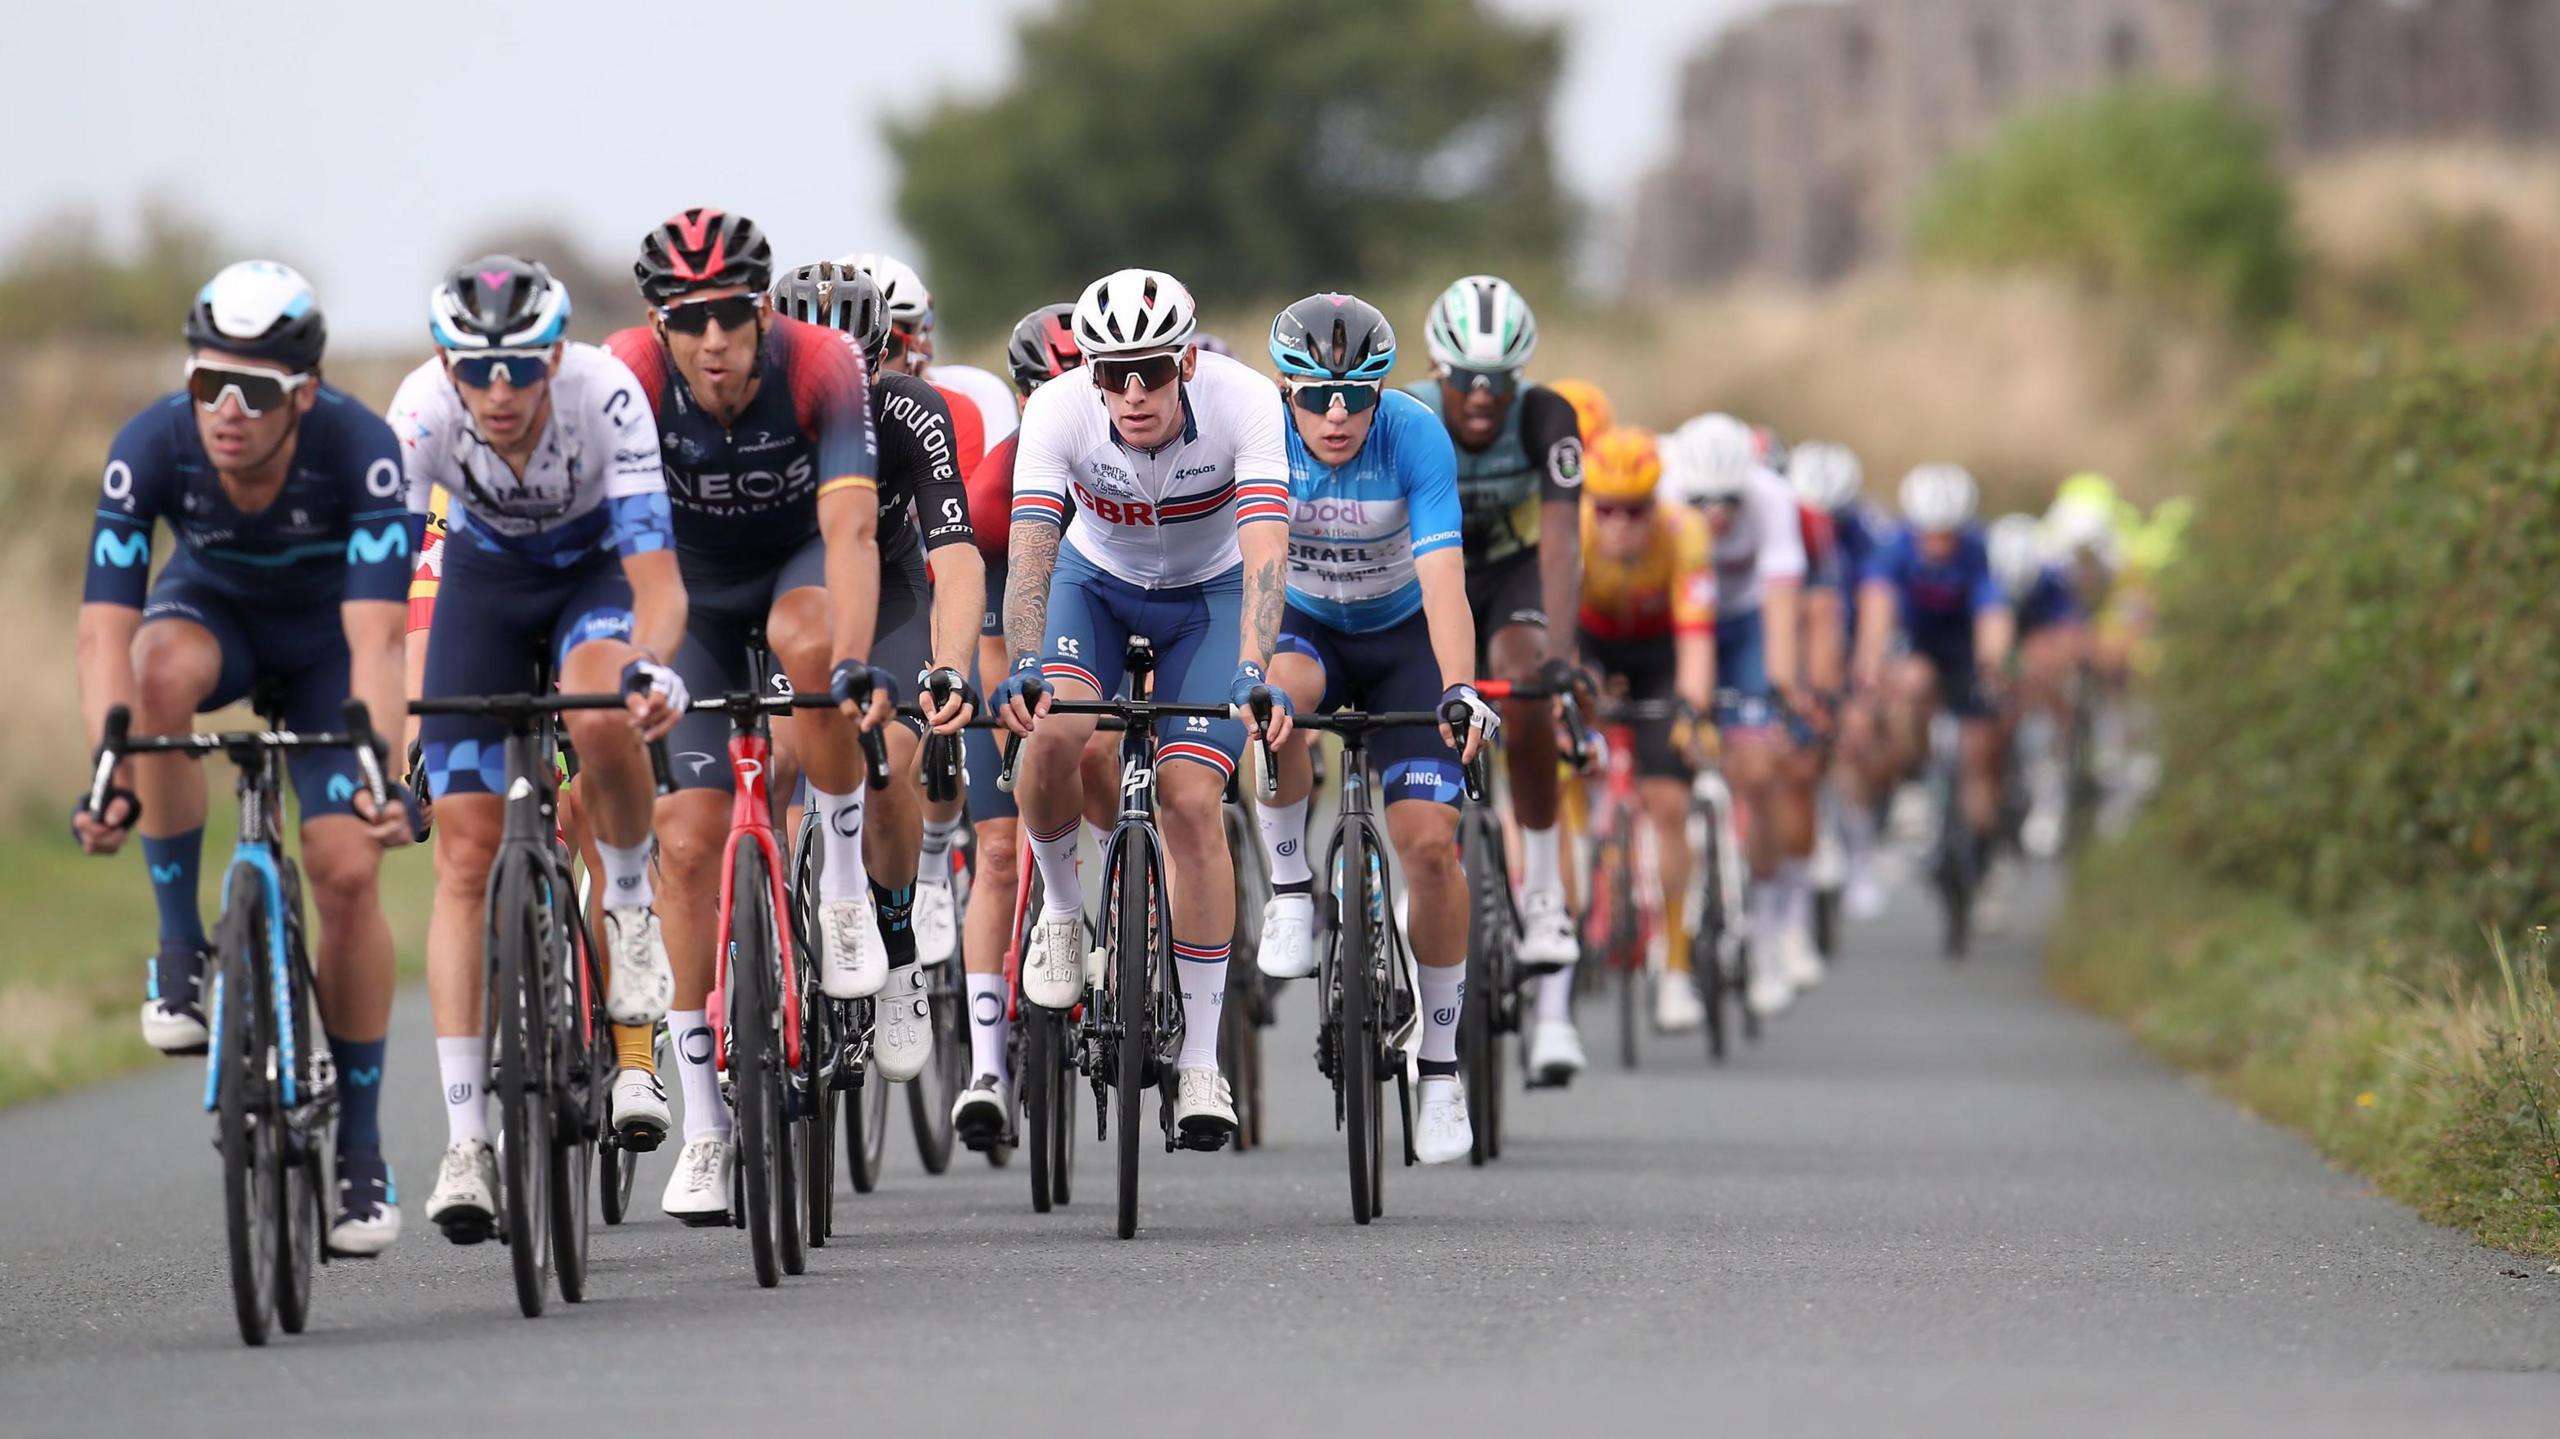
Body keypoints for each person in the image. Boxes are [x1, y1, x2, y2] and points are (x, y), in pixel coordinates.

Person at [75, 260, 420, 1254]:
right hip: (212, 616)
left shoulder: (359, 448)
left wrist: (379, 770)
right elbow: (103, 630)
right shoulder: (151, 444)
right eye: (205, 383)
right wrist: (110, 772)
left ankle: (359, 1151)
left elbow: (377, 643)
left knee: (349, 874)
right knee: (151, 675)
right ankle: (180, 949)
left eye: (255, 391)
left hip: (327, 648)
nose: (225, 410)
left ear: (303, 394)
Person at [386, 255, 689, 1243]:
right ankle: (468, 1139)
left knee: (599, 710)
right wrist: (390, 738)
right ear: (446, 364)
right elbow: (382, 600)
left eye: (521, 365)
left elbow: (655, 576)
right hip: (482, 583)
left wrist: (650, 666)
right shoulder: (421, 412)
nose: (502, 390)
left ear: (556, 352)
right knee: (466, 854)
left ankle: (631, 903)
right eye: (478, 370)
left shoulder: (606, 394)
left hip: (596, 574)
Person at [604, 209, 897, 1224]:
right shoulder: (625, 374)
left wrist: (855, 663)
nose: (714, 339)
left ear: (762, 311)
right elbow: (610, 546)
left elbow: (852, 529)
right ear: (659, 322)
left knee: (812, 646)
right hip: (683, 590)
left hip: (794, 570)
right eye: (690, 320)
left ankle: (848, 882)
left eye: (732, 314)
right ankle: (704, 1126)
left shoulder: (821, 363)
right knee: (685, 840)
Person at [995, 267, 1292, 1142]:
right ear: (1085, 370)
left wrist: (1251, 663)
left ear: (1187, 361)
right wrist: (1021, 659)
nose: (1131, 392)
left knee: (1193, 800)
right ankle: (1058, 906)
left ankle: (1201, 1061)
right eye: (1110, 372)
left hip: (1209, 598)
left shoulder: (1246, 403)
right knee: (1051, 734)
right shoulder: (1058, 409)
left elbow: (1267, 544)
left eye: (1152, 371)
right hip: (1100, 585)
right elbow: (1033, 550)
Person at [1245, 293, 1494, 1163]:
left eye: (1357, 393)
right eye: (1316, 396)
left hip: (1400, 645)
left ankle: (1440, 1067)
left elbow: (1444, 579)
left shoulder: (1416, 434)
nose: (1339, 414)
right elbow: (1263, 567)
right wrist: (1254, 676)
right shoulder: (1262, 436)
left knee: (1428, 848)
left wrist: (1458, 686)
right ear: (1285, 389)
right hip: (1308, 632)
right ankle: (1287, 891)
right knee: (1275, 703)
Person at [767, 258, 987, 1062]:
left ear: (882, 358)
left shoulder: (910, 410)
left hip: (886, 586)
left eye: (853, 372)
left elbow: (957, 558)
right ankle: (768, 954)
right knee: (778, 753)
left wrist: (951, 667)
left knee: (894, 749)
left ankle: (897, 954)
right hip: (776, 592)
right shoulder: (745, 415)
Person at [1403, 274, 1588, 1078]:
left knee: (1530, 680)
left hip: (1508, 575)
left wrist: (1564, 661)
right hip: (1416, 574)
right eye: (1466, 381)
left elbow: (1559, 546)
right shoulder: (1407, 415)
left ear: (1523, 379)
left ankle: (1542, 889)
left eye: (1501, 383)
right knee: (1410, 706)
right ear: (1437, 370)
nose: (1482, 399)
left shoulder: (1549, 418)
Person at [947, 302, 1090, 1142]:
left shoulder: (1126, 462)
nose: (1062, 402)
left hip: (1100, 661)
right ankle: (987, 1068)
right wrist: (1014, 724)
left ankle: (1128, 926)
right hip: (1014, 666)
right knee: (998, 851)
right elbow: (992, 635)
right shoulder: (1001, 483)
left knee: (1110, 771)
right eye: (1043, 388)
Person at [1574, 426, 1715, 1035]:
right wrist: (1581, 690)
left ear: (1656, 503)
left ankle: (1677, 966)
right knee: (1563, 742)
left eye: (1636, 509)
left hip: (1660, 655)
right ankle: (1570, 878)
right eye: (1606, 508)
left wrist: (1691, 709)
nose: (1620, 523)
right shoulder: (1573, 532)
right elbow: (1558, 637)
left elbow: (1697, 641)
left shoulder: (1686, 534)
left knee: (1668, 799)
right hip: (1594, 645)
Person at [1666, 412, 1807, 1018]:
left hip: (1746, 626)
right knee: (1673, 754)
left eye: (1728, 501)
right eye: (1703, 500)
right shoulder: (1666, 494)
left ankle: (1771, 934)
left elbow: (1781, 601)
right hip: (1680, 619)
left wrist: (1777, 687)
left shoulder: (1774, 499)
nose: (1716, 513)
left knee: (1758, 767)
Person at [1856, 464, 2013, 896]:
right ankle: (1913, 784)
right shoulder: (1893, 549)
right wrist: (1872, 664)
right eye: (1931, 534)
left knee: (1979, 756)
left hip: (1964, 650)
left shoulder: (1978, 548)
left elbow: (1993, 613)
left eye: (1948, 534)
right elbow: (1876, 610)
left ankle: (1983, 850)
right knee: (1912, 683)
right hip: (1917, 645)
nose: (1939, 544)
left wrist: (1993, 663)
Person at [1788, 441, 1895, 919]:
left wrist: (1866, 676)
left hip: (1848, 636)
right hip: (1796, 636)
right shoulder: (1785, 524)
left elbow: (1876, 602)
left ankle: (1860, 857)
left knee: (1853, 739)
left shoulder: (1866, 532)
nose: (1824, 525)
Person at [842, 250, 1016, 449]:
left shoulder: (981, 394)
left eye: (886, 343)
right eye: (843, 345)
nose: (862, 363)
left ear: (918, 347)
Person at [1987, 512, 2084, 858]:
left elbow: (2067, 639)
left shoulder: (2053, 579)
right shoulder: (1983, 574)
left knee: (2046, 674)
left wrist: (2047, 672)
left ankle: (2049, 794)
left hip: (2037, 636)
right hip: (1996, 631)